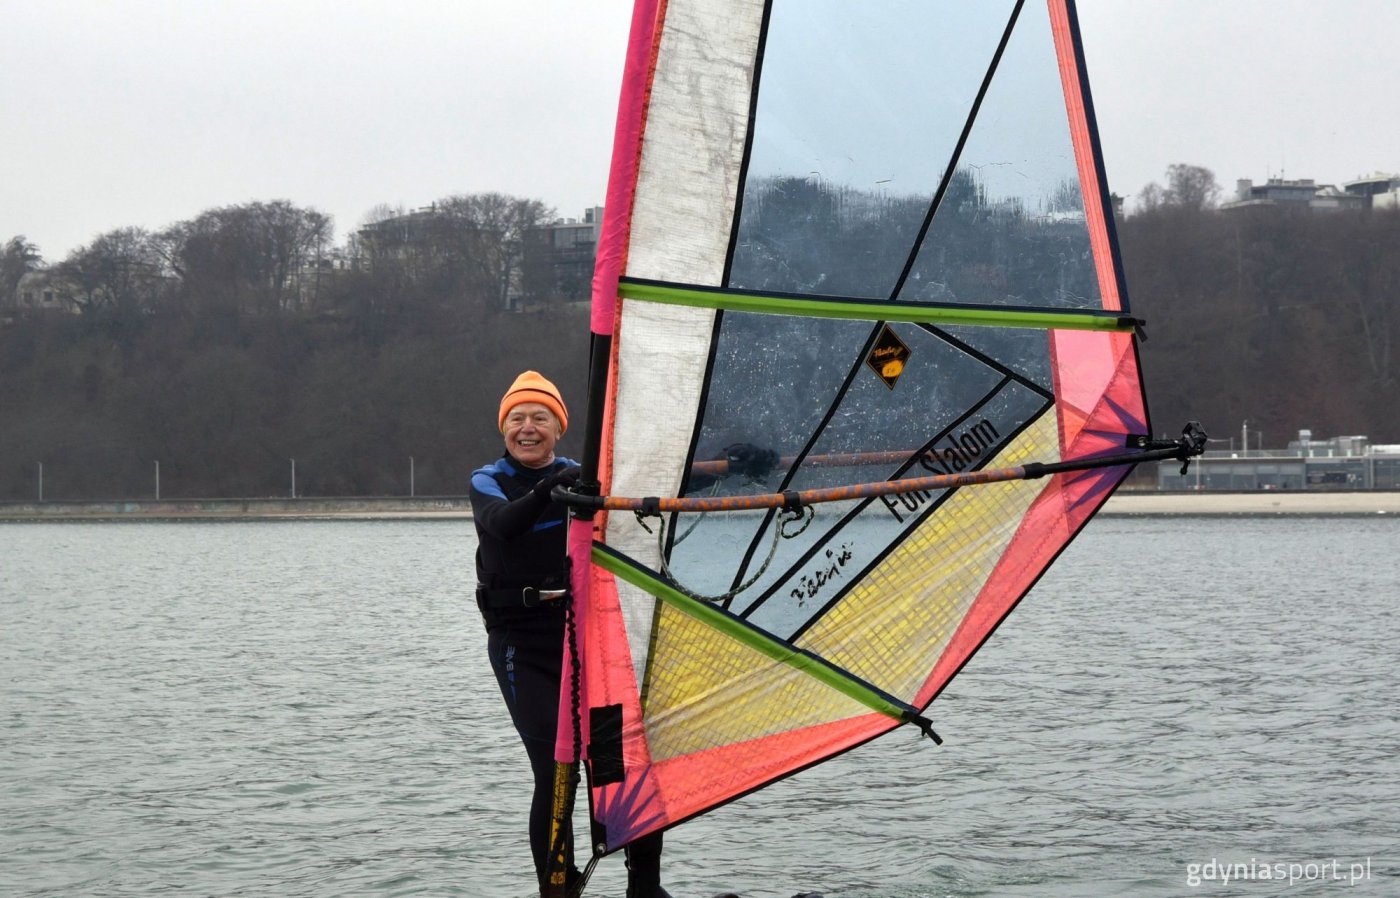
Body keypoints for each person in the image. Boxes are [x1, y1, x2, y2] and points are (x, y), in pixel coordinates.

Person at [471, 370, 669, 898]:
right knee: (556, 769)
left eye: (540, 418)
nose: (528, 428)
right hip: (522, 649)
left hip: (586, 643)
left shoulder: (584, 474)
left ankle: (644, 887)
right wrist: (548, 491)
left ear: (559, 427)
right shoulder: (486, 480)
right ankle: (556, 889)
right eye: (517, 419)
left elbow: (653, 484)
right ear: (504, 429)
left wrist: (740, 467)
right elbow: (504, 524)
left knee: (619, 766)